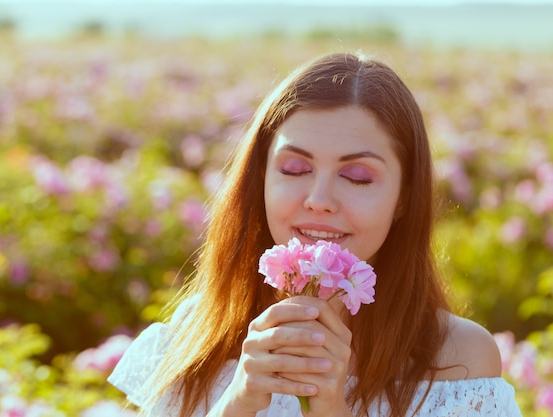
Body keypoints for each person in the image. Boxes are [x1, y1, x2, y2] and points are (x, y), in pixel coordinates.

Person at [108, 52, 522, 417]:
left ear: (403, 198)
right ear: (261, 181)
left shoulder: (458, 360)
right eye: (294, 169)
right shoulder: (198, 333)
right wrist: (236, 405)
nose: (319, 199)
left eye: (357, 176)